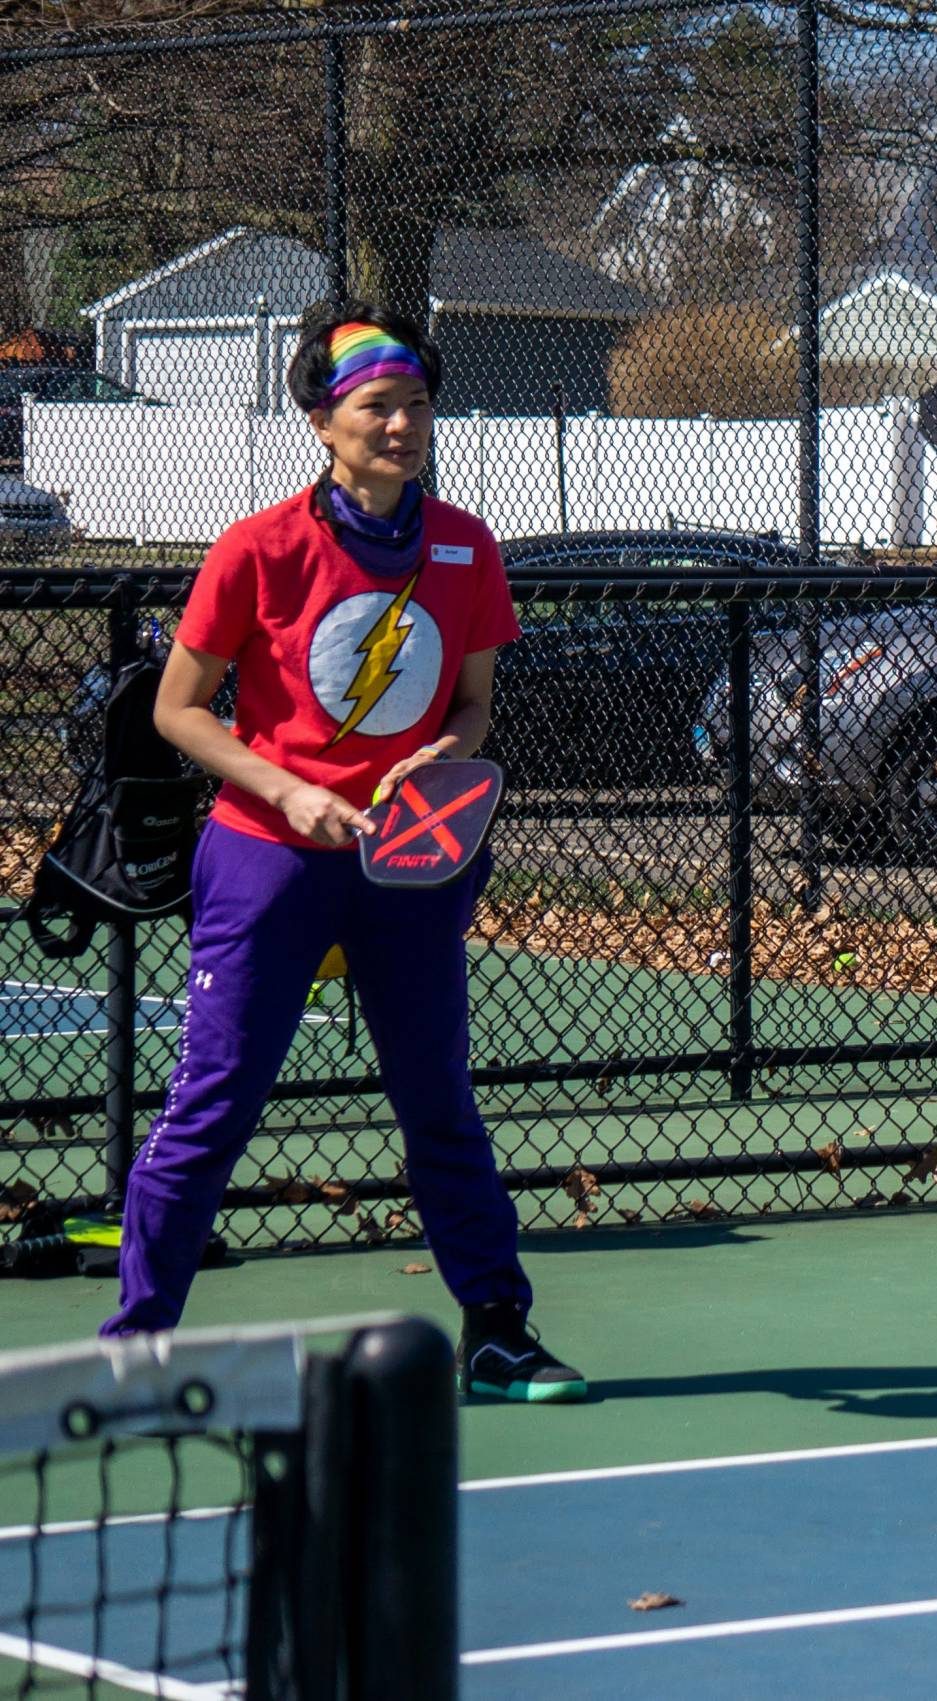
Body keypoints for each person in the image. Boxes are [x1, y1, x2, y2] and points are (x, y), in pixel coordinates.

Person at [109, 302, 585, 1403]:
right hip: (266, 858)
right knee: (215, 1102)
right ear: (324, 421)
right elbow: (182, 712)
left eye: (418, 405)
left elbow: (470, 710)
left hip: (406, 867)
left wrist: (439, 765)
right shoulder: (258, 548)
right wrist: (286, 792)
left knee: (438, 1099)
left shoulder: (465, 544)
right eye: (378, 406)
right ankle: (136, 1346)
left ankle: (499, 1334)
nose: (404, 425)